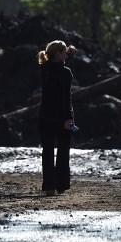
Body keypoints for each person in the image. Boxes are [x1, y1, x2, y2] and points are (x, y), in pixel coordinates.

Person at [37, 40, 76, 195]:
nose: (66, 54)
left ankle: (48, 187)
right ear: (59, 54)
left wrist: (68, 52)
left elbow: (52, 64)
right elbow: (66, 98)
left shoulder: (43, 69)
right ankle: (61, 184)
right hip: (62, 117)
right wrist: (69, 118)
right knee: (63, 151)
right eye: (64, 52)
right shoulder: (66, 72)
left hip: (45, 116)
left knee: (47, 152)